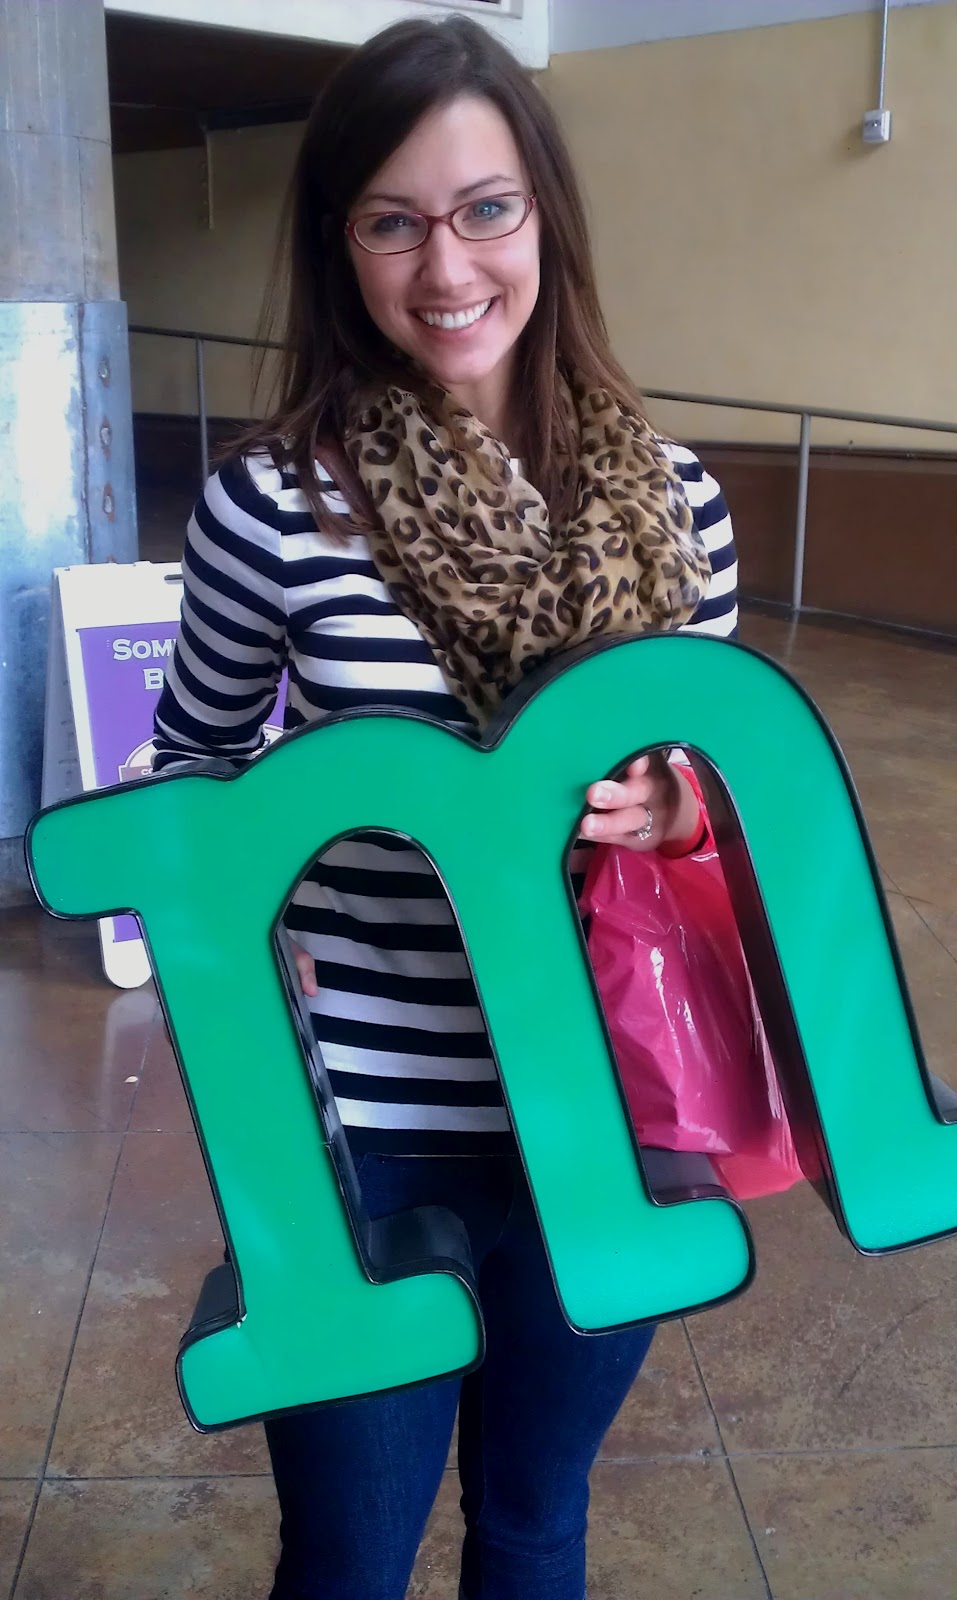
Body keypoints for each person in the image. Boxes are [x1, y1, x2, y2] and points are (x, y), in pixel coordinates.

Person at [153, 16, 738, 1599]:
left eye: (485, 208)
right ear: (338, 245)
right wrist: (251, 897)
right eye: (392, 221)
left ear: (543, 215)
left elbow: (716, 795)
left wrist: (673, 812)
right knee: (349, 1556)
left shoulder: (676, 502)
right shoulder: (273, 504)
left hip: (607, 1112)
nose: (446, 264)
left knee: (535, 1524)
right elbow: (188, 767)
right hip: (360, 1127)